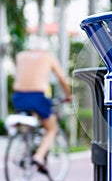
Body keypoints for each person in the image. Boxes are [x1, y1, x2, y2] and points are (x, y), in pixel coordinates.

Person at [12, 36, 72, 173]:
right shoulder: (48, 57)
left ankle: (25, 152)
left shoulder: (21, 56)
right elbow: (62, 79)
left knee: (28, 123)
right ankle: (38, 157)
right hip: (37, 96)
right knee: (52, 128)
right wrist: (68, 95)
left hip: (18, 96)